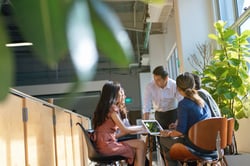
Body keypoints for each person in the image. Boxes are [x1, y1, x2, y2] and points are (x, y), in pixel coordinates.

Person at [159, 72, 212, 166]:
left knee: (163, 140)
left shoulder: (183, 104)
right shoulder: (201, 101)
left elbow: (180, 132)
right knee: (171, 150)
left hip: (194, 146)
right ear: (193, 85)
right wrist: (177, 126)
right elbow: (198, 122)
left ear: (178, 89)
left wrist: (168, 133)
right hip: (209, 144)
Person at [92, 81, 146, 166]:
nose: (122, 95)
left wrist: (140, 128)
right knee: (140, 144)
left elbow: (120, 132)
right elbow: (125, 129)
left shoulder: (103, 109)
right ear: (113, 94)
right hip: (108, 147)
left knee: (139, 144)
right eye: (120, 92)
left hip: (101, 146)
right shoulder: (113, 109)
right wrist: (143, 128)